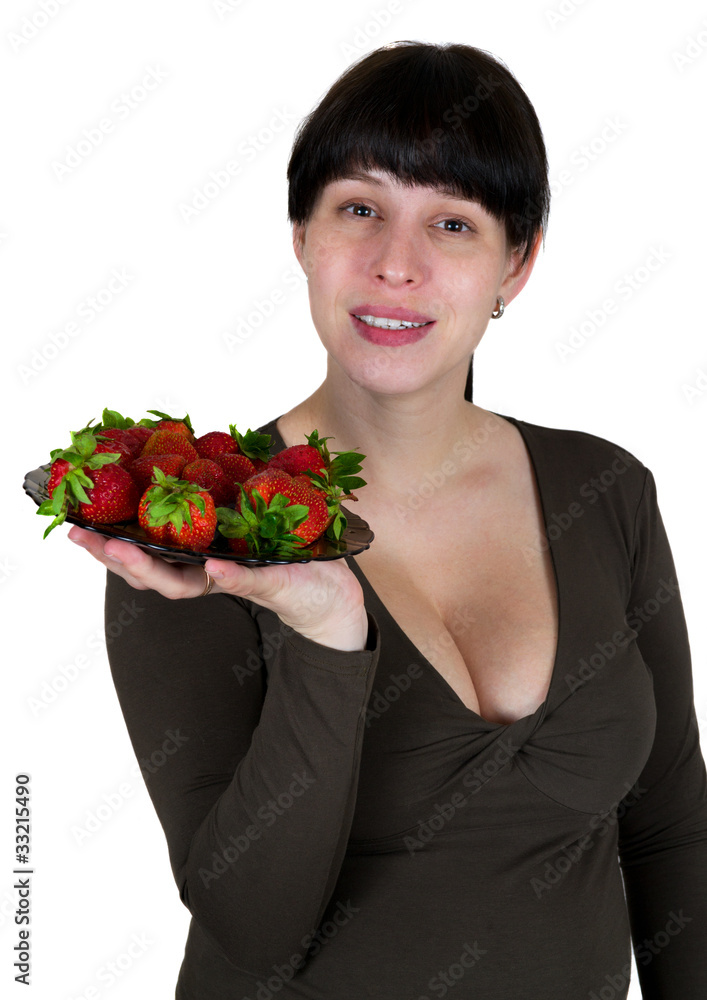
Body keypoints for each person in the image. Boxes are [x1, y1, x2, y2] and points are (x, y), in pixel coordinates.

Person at [67, 40, 707, 999]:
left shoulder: (604, 487)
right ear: (302, 235)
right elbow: (250, 926)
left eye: (452, 223)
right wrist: (328, 636)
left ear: (516, 264)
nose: (394, 264)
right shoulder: (197, 525)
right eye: (358, 209)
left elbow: (669, 830)